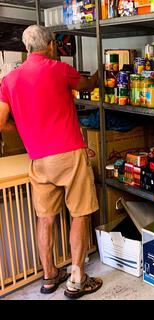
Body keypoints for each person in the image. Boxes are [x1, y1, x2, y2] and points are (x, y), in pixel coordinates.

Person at [0, 25, 102, 299]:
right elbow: (86, 86)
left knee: (45, 219)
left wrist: (23, 129)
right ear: (52, 46)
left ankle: (49, 277)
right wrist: (99, 75)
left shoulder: (9, 80)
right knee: (80, 214)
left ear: (26, 49)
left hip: (38, 160)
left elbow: (0, 122)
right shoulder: (59, 69)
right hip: (69, 154)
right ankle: (77, 280)